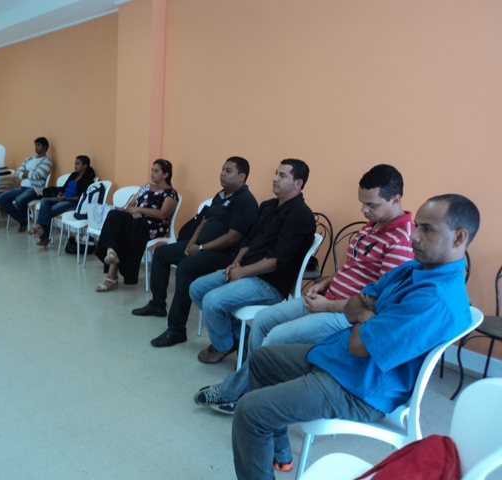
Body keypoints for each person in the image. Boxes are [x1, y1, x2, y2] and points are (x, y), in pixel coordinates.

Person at [231, 194, 480, 480]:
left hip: (361, 387)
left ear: (459, 237)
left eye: (427, 229)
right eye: (417, 226)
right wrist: (366, 313)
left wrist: (364, 311)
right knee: (261, 359)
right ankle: (279, 450)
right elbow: (357, 301)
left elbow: (359, 344)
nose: (413, 236)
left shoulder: (436, 298)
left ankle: (264, 435)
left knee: (249, 411)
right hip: (339, 359)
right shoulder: (413, 268)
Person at [195, 164, 415, 418]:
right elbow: (355, 268)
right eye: (362, 203)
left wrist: (327, 305)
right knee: (263, 320)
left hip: (345, 315)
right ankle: (251, 389)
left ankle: (234, 392)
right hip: (325, 298)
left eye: (371, 205)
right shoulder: (373, 224)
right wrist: (328, 281)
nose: (364, 210)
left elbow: (377, 302)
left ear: (395, 199)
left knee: (275, 338)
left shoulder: (402, 242)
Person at [189, 159, 316, 364]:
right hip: (247, 270)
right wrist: (237, 263)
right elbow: (248, 239)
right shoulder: (268, 206)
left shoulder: (300, 215)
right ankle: (239, 338)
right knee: (197, 288)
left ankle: (223, 345)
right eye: (276, 173)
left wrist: (242, 272)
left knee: (212, 301)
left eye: (282, 175)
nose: (274, 178)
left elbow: (276, 261)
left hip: (269, 283)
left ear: (298, 183)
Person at [132, 157, 259, 347]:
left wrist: (200, 248)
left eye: (228, 171)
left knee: (185, 268)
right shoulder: (221, 195)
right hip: (201, 245)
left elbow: (233, 237)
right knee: (161, 254)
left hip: (225, 254)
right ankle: (157, 305)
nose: (222, 173)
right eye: (222, 169)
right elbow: (204, 222)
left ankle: (176, 330)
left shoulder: (245, 201)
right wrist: (191, 243)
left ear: (241, 176)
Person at [95, 159, 179, 291]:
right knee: (113, 215)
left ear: (165, 174)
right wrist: (133, 211)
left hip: (152, 226)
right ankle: (111, 252)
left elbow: (162, 214)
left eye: (156, 171)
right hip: (135, 220)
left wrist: (139, 209)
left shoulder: (171, 193)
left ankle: (112, 276)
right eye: (152, 170)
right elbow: (130, 205)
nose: (152, 173)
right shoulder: (146, 187)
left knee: (125, 229)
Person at [27, 155, 96, 248]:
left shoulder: (88, 179)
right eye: (75, 163)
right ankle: (41, 230)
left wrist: (66, 198)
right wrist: (59, 194)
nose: (75, 165)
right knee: (44, 201)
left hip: (72, 202)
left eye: (78, 164)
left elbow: (81, 197)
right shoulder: (73, 175)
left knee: (49, 210)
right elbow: (64, 187)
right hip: (63, 198)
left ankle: (43, 233)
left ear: (84, 166)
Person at [0, 137, 52, 232]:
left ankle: (23, 219)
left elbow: (36, 176)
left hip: (35, 189)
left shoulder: (47, 162)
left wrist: (26, 173)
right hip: (22, 188)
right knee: (1, 198)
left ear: (45, 147)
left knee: (19, 200)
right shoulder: (29, 159)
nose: (36, 147)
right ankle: (22, 219)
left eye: (38, 145)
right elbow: (18, 173)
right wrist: (28, 173)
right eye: (35, 145)